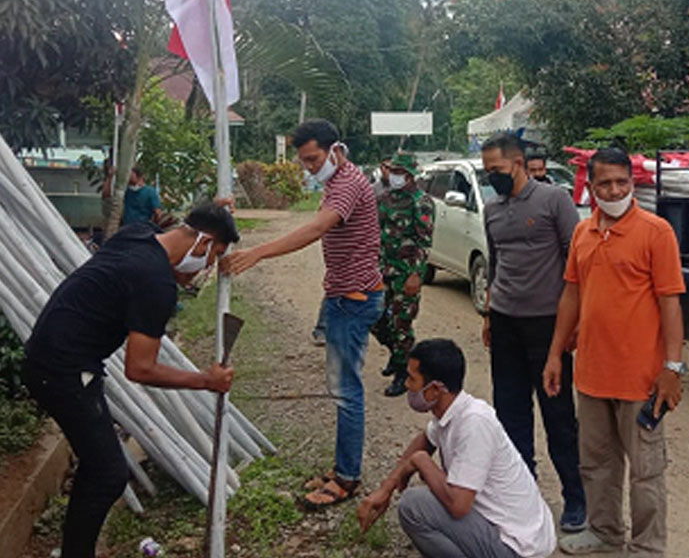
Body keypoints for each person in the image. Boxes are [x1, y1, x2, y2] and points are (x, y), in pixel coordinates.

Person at [22, 203, 238, 558]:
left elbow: (176, 231)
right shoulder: (154, 281)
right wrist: (206, 380)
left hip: (52, 354)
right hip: (62, 370)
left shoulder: (138, 236)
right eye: (212, 257)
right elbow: (140, 368)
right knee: (108, 472)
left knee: (99, 464)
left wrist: (217, 210)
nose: (207, 268)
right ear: (202, 243)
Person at [220, 118, 383, 508]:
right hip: (344, 296)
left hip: (354, 299)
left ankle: (347, 478)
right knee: (342, 389)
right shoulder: (337, 179)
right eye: (304, 162)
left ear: (334, 149)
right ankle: (344, 467)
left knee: (347, 393)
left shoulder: (346, 185)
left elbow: (315, 229)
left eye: (313, 159)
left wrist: (257, 252)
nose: (309, 167)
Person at [543, 147, 686, 556]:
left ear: (633, 182)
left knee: (646, 472)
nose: (614, 189)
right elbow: (571, 293)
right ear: (591, 186)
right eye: (604, 183)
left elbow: (671, 303)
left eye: (622, 182)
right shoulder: (582, 233)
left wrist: (672, 368)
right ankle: (606, 534)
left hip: (641, 380)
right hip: (591, 375)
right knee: (597, 464)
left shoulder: (656, 232)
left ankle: (647, 547)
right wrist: (556, 354)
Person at [357, 339, 557, 558]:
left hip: (517, 547)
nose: (406, 385)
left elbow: (458, 505)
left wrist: (421, 461)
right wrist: (387, 486)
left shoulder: (474, 424)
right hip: (508, 532)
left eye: (412, 379)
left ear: (435, 390)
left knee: (413, 506)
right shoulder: (453, 412)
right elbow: (425, 439)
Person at [480, 133, 587, 533]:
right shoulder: (492, 209)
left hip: (546, 325)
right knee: (510, 415)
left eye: (498, 170)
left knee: (558, 415)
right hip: (505, 321)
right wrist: (490, 314)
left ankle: (576, 497)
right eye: (488, 171)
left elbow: (576, 264)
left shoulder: (553, 201)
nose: (493, 177)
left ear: (520, 163)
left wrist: (572, 325)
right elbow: (495, 263)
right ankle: (522, 496)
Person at [371, 151, 435, 396]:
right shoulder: (385, 199)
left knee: (401, 324)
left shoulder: (422, 202)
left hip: (406, 272)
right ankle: (399, 355)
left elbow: (424, 241)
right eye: (392, 171)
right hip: (382, 269)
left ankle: (403, 373)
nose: (393, 175)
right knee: (375, 319)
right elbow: (375, 233)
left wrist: (416, 275)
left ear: (409, 175)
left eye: (398, 172)